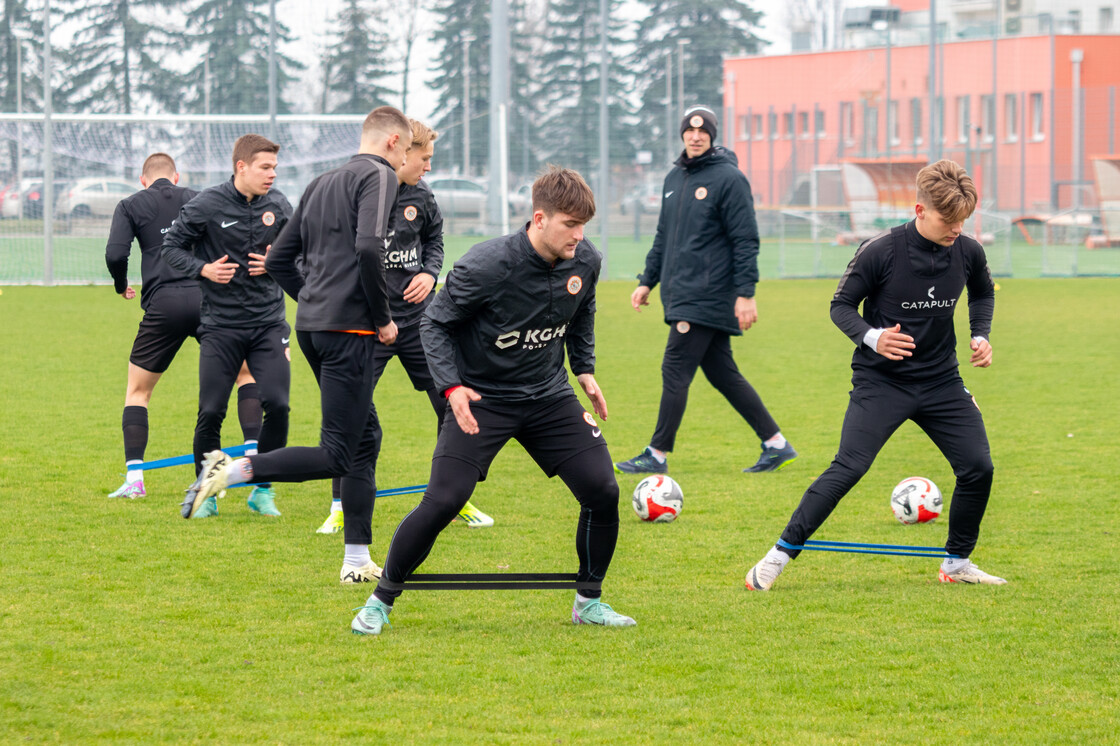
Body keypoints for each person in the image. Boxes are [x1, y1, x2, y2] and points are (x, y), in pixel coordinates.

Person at [351, 166, 636, 635]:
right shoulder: (486, 264)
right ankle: (381, 600)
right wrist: (451, 387)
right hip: (483, 398)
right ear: (539, 218)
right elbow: (434, 324)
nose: (579, 236)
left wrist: (583, 368)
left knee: (603, 490)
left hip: (548, 395)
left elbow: (582, 311)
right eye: (570, 224)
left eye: (585, 226)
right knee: (445, 500)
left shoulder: (586, 260)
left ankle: (589, 600)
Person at [745, 159, 1004, 590]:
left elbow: (981, 293)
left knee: (979, 467)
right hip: (882, 383)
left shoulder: (968, 249)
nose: (957, 228)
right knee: (849, 467)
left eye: (963, 219)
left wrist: (981, 334)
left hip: (942, 382)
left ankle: (957, 563)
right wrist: (872, 337)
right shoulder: (880, 250)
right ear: (920, 210)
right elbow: (840, 306)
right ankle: (776, 557)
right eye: (948, 219)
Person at [184, 106, 411, 585]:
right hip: (350, 331)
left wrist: (312, 300)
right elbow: (370, 247)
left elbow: (281, 259)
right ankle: (227, 473)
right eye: (409, 149)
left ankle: (355, 561)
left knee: (364, 438)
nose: (410, 159)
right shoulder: (380, 175)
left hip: (312, 328)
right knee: (337, 453)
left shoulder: (322, 181)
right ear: (392, 142)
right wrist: (383, 318)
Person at [315, 118, 494, 536]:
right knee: (349, 410)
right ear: (403, 151)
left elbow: (435, 241)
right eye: (425, 158)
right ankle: (340, 504)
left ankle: (454, 498)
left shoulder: (423, 196)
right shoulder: (360, 189)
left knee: (451, 403)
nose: (429, 166)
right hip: (366, 324)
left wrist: (431, 273)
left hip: (418, 324)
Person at [614, 106, 796, 476]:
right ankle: (776, 444)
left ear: (712, 136)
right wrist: (647, 280)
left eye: (703, 131)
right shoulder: (673, 179)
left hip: (708, 294)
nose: (695, 136)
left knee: (675, 368)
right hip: (681, 292)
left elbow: (746, 240)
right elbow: (664, 237)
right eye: (689, 131)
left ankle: (657, 453)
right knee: (722, 373)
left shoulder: (729, 179)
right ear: (682, 134)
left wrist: (745, 293)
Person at [105, 152, 266, 500]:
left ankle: (135, 480)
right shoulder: (199, 198)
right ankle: (254, 463)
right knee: (246, 374)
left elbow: (116, 254)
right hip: (209, 297)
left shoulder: (130, 204)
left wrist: (121, 285)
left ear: (142, 180)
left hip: (164, 304)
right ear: (176, 177)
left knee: (138, 392)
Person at [161, 134, 293, 519]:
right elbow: (170, 249)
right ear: (241, 167)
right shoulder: (206, 204)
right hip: (221, 326)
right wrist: (203, 269)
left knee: (279, 405)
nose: (272, 175)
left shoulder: (280, 205)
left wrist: (276, 264)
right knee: (211, 410)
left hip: (269, 322)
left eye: (274, 168)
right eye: (264, 167)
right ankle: (207, 491)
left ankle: (262, 489)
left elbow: (299, 253)